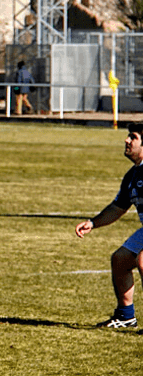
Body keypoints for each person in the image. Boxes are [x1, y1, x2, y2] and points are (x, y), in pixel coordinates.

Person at [74, 121, 143, 329]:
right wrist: (93, 223)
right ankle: (125, 316)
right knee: (120, 260)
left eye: (133, 137)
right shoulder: (132, 175)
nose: (127, 140)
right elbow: (118, 208)